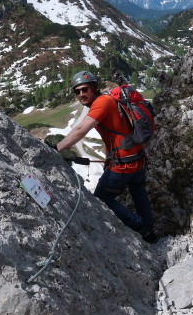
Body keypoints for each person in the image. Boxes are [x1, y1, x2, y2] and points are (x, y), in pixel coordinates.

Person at [54, 70, 157, 243]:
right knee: (138, 190)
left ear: (94, 88)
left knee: (102, 199)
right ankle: (150, 232)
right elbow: (112, 134)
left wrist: (57, 148)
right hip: (138, 158)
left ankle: (140, 226)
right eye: (77, 91)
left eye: (85, 89)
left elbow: (80, 130)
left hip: (124, 164)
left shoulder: (102, 102)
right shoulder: (109, 99)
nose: (81, 94)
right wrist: (109, 156)